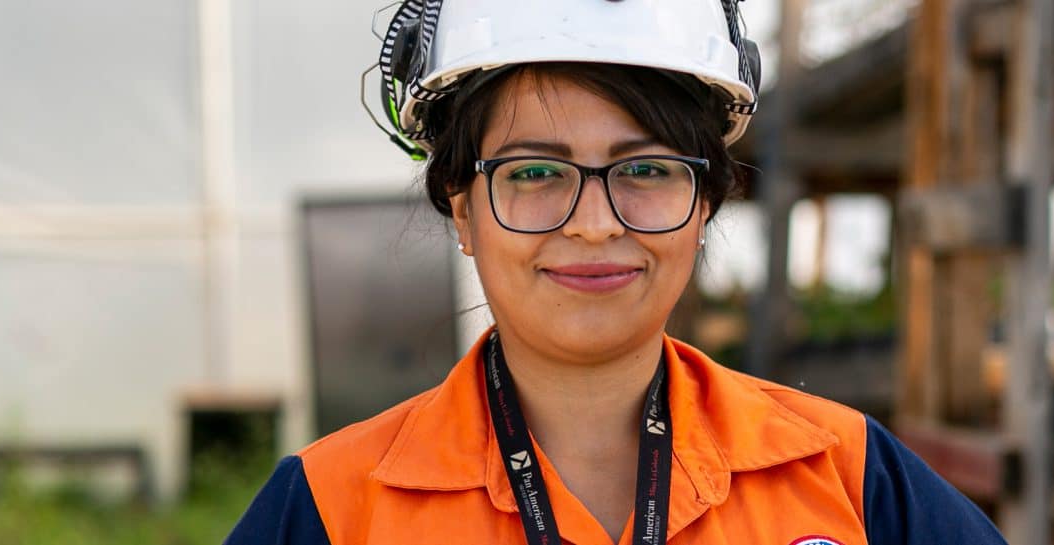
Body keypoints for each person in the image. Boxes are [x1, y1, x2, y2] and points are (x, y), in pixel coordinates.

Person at [227, 1, 1007, 543]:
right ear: (462, 209)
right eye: (535, 174)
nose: (594, 223)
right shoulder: (333, 509)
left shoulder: (847, 478)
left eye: (646, 169)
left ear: (705, 205)